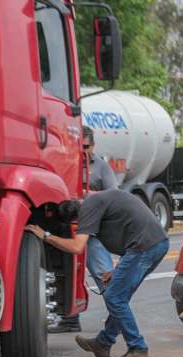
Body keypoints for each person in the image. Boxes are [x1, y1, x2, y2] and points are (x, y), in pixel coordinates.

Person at [26, 190, 169, 357]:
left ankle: (138, 350)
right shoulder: (96, 202)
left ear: (74, 220)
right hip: (153, 244)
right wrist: (118, 269)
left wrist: (46, 236)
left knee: (114, 297)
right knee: (119, 296)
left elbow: (77, 247)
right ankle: (103, 344)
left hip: (144, 247)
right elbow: (130, 226)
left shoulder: (88, 208)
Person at [49, 126, 119, 333]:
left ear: (93, 145)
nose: (83, 151)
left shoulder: (102, 168)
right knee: (66, 273)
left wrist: (86, 196)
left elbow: (113, 196)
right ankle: (70, 319)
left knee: (103, 274)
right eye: (79, 146)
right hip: (67, 228)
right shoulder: (64, 164)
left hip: (94, 230)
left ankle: (119, 317)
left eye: (86, 146)